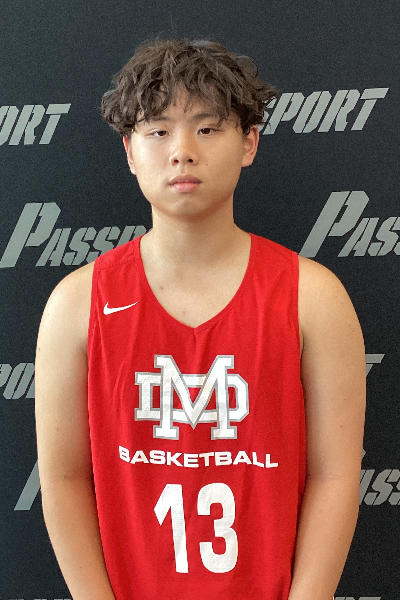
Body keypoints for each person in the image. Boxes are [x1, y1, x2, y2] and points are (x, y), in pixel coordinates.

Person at [35, 38, 366, 600]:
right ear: (129, 151)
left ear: (249, 142)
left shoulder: (314, 297)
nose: (182, 151)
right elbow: (64, 479)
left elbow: (334, 477)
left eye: (207, 128)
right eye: (158, 131)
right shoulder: (76, 304)